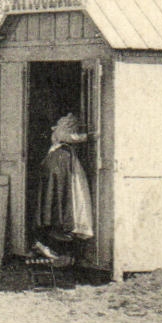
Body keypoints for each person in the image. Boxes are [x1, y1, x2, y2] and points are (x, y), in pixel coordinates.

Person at [34, 111, 94, 259]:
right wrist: (91, 136)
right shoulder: (62, 141)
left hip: (58, 164)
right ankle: (55, 241)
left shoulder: (60, 148)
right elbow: (69, 137)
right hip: (59, 164)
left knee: (59, 198)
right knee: (64, 198)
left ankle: (55, 241)